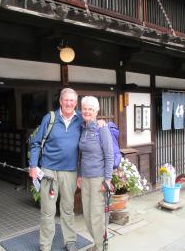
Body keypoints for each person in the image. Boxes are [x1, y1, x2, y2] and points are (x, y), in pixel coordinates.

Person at [29, 88, 82, 251]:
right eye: (66, 100)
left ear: (76, 103)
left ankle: (70, 241)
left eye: (72, 100)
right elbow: (36, 143)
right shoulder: (50, 118)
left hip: (70, 171)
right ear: (60, 101)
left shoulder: (81, 118)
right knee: (48, 210)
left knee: (68, 208)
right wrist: (33, 166)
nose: (69, 103)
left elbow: (95, 130)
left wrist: (103, 123)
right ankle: (45, 245)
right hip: (49, 170)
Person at [77, 96, 114, 251]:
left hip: (98, 179)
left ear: (96, 111)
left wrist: (107, 180)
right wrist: (79, 175)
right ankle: (97, 243)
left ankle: (100, 247)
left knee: (97, 215)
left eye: (91, 109)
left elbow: (109, 155)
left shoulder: (102, 129)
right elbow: (80, 155)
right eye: (85, 108)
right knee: (87, 214)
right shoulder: (83, 128)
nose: (87, 111)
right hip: (85, 178)